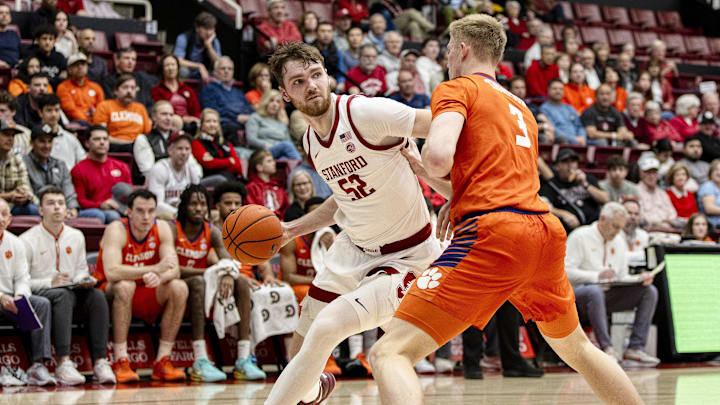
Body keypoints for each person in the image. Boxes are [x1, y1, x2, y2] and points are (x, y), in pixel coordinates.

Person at [369, 15, 644, 405]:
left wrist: (428, 165)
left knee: (389, 352)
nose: (447, 56)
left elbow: (438, 157)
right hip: (542, 232)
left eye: (448, 48)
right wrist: (453, 194)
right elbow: (499, 179)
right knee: (578, 349)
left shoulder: (457, 88)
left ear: (462, 49)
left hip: (494, 234)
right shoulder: (521, 107)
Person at [263, 41, 444, 405]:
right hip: (354, 249)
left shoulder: (366, 113)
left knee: (334, 329)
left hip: (407, 255)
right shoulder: (312, 141)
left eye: (316, 75)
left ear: (328, 76)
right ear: (285, 93)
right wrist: (290, 230)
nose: (311, 85)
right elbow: (343, 198)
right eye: (298, 82)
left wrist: (451, 187)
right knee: (300, 351)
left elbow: (442, 124)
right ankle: (314, 392)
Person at [171, 185, 266, 381]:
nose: (199, 209)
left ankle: (243, 359)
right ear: (184, 207)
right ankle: (200, 360)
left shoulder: (212, 231)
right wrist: (212, 272)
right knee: (199, 282)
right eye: (193, 204)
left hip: (202, 282)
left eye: (202, 204)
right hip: (174, 283)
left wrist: (229, 274)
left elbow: (227, 261)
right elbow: (172, 269)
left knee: (240, 281)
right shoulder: (173, 229)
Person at [22, 187, 115, 385]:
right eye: (50, 203)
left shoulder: (76, 236)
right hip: (42, 294)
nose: (57, 208)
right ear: (40, 210)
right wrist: (50, 282)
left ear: (66, 209)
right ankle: (63, 362)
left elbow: (80, 269)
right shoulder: (27, 240)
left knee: (97, 296)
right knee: (63, 294)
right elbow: (22, 282)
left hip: (71, 291)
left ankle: (100, 362)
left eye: (61, 203)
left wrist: (84, 279)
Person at [94, 189, 187, 383]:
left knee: (179, 287)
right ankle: (121, 360)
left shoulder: (161, 228)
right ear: (128, 212)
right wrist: (153, 269)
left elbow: (174, 270)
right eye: (140, 211)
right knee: (125, 286)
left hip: (144, 290)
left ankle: (162, 360)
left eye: (151, 211)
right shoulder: (116, 229)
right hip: (110, 293)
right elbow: (111, 272)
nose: (146, 217)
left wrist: (160, 278)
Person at [565, 202, 660, 365]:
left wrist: (638, 279)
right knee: (595, 291)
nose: (617, 232)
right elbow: (565, 271)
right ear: (602, 219)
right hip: (577, 294)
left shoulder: (618, 241)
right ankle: (607, 348)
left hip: (607, 293)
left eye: (620, 228)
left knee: (649, 291)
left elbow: (621, 276)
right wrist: (596, 276)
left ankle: (635, 348)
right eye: (615, 226)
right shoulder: (580, 236)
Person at [0, 198, 55, 386]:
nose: (0, 218)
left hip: (11, 299)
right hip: (0, 298)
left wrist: (19, 296)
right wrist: (1, 297)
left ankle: (37, 366)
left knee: (41, 304)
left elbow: (23, 277)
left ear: (9, 219)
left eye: (4, 214)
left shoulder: (15, 243)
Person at [70, 125, 131, 223]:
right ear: (87, 143)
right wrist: (100, 205)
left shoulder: (122, 166)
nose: (102, 142)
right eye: (97, 139)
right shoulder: (78, 169)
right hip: (96, 210)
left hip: (122, 208)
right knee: (112, 216)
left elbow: (129, 194)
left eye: (105, 139)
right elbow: (80, 201)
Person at [540, 148, 609, 232]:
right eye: (565, 162)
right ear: (557, 166)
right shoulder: (552, 185)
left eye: (573, 161)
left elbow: (605, 199)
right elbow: (544, 206)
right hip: (571, 229)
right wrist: (563, 214)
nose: (570, 165)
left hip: (595, 225)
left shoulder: (587, 179)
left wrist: (585, 184)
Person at [280, 196, 328, 304]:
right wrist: (319, 282)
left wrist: (330, 248)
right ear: (306, 217)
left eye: (323, 215)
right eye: (315, 215)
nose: (320, 219)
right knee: (307, 293)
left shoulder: (333, 238)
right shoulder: (293, 241)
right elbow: (288, 278)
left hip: (321, 285)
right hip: (298, 287)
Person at [24, 128, 79, 217]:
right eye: (42, 141)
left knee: (94, 215)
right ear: (31, 143)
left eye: (50, 141)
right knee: (31, 209)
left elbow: (68, 190)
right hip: (37, 208)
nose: (47, 146)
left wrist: (73, 209)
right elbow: (28, 193)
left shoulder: (60, 164)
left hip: (60, 208)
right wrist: (49, 209)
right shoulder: (23, 163)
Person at [200, 57, 254, 142]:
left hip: (245, 123)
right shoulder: (209, 89)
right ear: (215, 72)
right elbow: (212, 110)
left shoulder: (238, 92)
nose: (226, 71)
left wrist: (250, 117)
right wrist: (236, 117)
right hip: (226, 123)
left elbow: (249, 109)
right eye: (223, 68)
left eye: (229, 69)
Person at [147, 133, 201, 218]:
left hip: (186, 214)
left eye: (187, 149)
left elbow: (198, 199)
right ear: (170, 150)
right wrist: (182, 213)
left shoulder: (192, 169)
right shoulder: (160, 169)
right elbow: (156, 204)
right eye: (180, 148)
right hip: (164, 215)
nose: (184, 153)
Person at [94, 73, 152, 152]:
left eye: (132, 88)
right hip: (113, 146)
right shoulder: (104, 106)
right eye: (125, 87)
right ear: (116, 91)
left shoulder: (140, 108)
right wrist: (128, 143)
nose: (129, 91)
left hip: (138, 148)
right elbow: (100, 134)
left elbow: (147, 134)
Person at [191, 108, 243, 183]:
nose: (212, 124)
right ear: (201, 125)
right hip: (209, 180)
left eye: (215, 121)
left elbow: (238, 168)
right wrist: (229, 161)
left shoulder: (226, 143)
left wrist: (217, 163)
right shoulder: (196, 143)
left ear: (218, 125)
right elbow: (209, 165)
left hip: (230, 179)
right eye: (208, 121)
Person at [35, 93, 86, 171]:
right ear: (40, 112)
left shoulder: (71, 139)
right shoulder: (33, 137)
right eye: (49, 110)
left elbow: (83, 163)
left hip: (69, 180)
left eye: (56, 110)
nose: (53, 114)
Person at [245, 90, 300, 160]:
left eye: (278, 102)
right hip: (261, 151)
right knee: (286, 145)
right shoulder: (255, 117)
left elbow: (288, 141)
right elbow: (251, 139)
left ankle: (302, 169)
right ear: (265, 102)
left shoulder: (281, 123)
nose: (275, 104)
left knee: (285, 159)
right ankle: (304, 168)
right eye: (271, 101)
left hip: (279, 152)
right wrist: (264, 144)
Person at [151, 54, 201, 129]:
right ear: (162, 69)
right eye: (167, 65)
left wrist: (194, 118)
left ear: (178, 67)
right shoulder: (157, 90)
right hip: (169, 122)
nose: (170, 68)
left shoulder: (187, 89)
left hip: (190, 124)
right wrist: (182, 118)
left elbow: (196, 111)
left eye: (173, 64)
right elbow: (160, 111)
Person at [0, 120, 38, 215]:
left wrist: (23, 195)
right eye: (6, 134)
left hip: (12, 206)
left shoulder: (17, 159)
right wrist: (8, 196)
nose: (10, 139)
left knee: (34, 210)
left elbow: (25, 185)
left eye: (12, 135)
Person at [56, 53, 104, 123]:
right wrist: (87, 122)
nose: (80, 67)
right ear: (69, 69)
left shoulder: (96, 87)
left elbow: (101, 108)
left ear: (87, 67)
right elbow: (70, 110)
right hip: (74, 124)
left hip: (95, 123)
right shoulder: (63, 87)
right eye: (76, 65)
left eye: (83, 64)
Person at [173, 12, 221, 82]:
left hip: (205, 74)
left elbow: (219, 64)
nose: (209, 33)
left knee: (220, 74)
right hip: (189, 71)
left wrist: (209, 46)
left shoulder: (214, 42)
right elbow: (177, 60)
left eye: (211, 29)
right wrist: (199, 66)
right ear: (197, 28)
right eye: (206, 29)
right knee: (183, 71)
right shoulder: (184, 38)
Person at [540, 79, 586, 144]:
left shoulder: (569, 108)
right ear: (548, 90)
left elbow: (579, 126)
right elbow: (552, 128)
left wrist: (582, 137)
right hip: (561, 142)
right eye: (554, 89)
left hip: (577, 141)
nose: (558, 91)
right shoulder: (545, 108)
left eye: (561, 89)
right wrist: (573, 139)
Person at [245, 149, 289, 218]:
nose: (274, 163)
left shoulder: (278, 186)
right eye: (269, 161)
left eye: (273, 160)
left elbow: (286, 208)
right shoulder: (251, 188)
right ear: (259, 167)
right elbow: (252, 211)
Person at [636, 156, 678, 228]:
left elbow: (673, 215)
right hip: (646, 230)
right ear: (641, 174)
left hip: (667, 231)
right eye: (648, 173)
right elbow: (640, 217)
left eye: (654, 173)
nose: (652, 176)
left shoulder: (663, 193)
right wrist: (660, 222)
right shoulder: (635, 191)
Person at [313, 22, 346, 93]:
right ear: (316, 34)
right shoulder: (309, 51)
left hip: (333, 87)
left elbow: (341, 73)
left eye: (329, 31)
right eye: (323, 31)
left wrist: (341, 83)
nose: (326, 34)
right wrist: (325, 78)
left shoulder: (337, 52)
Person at [622, 197, 649, 267]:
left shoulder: (644, 235)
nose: (633, 217)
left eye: (636, 214)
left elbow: (648, 258)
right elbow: (619, 258)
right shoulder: (613, 235)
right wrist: (641, 255)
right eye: (629, 213)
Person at [698, 159, 720, 229]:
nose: (719, 172)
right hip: (712, 225)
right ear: (710, 172)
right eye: (716, 170)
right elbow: (709, 209)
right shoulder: (708, 186)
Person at [0, 4, 20, 69]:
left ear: (10, 17)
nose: (4, 15)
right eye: (1, 13)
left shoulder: (14, 34)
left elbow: (21, 53)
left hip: (16, 68)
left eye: (7, 13)